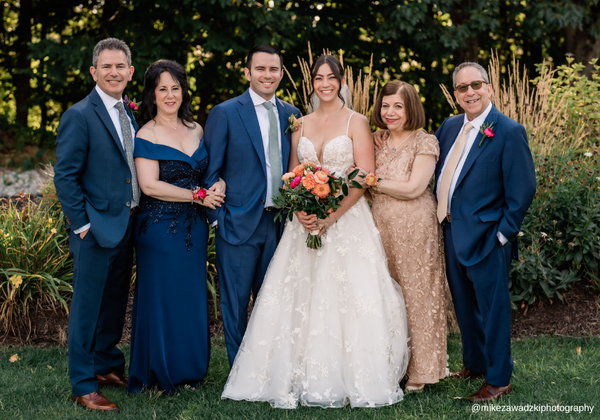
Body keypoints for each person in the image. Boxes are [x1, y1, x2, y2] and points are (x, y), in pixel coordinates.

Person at [221, 55, 410, 409]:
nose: (325, 84)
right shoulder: (300, 123)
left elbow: (363, 176)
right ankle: (288, 374)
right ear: (313, 84)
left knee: (345, 299)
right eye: (319, 78)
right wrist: (305, 210)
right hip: (304, 223)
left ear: (341, 82)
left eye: (331, 78)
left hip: (347, 222)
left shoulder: (356, 122)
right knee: (299, 297)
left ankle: (351, 375)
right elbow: (292, 174)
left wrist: (330, 216)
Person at [435, 62, 536, 402]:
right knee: (465, 305)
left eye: (476, 84)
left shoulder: (507, 131)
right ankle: (475, 362)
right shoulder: (448, 127)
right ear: (455, 95)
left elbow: (523, 189)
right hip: (450, 233)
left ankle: (498, 379)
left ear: (489, 87)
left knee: (493, 310)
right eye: (462, 88)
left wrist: (503, 235)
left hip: (489, 238)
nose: (470, 92)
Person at [127, 60, 225, 394]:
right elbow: (149, 185)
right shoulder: (146, 133)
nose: (170, 95)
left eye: (175, 87)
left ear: (183, 91)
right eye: (162, 89)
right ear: (152, 95)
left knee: (190, 297)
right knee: (162, 298)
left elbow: (209, 170)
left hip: (193, 229)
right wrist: (197, 195)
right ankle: (157, 372)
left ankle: (190, 371)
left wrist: (218, 184)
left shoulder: (197, 128)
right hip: (159, 228)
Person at [203, 45, 301, 367]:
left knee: (271, 302)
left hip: (280, 223)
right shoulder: (226, 112)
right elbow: (211, 170)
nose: (267, 75)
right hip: (238, 223)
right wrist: (217, 218)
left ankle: (267, 366)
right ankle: (239, 370)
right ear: (247, 72)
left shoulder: (292, 114)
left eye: (273, 69)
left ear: (281, 73)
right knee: (235, 303)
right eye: (260, 69)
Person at [54, 38, 137, 412]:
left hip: (125, 225)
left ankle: (105, 366)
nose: (114, 72)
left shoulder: (127, 112)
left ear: (130, 72)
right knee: (88, 309)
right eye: (106, 66)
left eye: (120, 66)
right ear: (94, 71)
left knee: (115, 303)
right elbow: (65, 176)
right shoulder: (80, 114)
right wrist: (82, 225)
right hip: (94, 228)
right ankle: (83, 384)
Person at [352, 80, 447, 392]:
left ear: (411, 110)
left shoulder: (425, 142)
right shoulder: (375, 139)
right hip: (378, 226)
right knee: (386, 295)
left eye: (398, 106)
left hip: (415, 227)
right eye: (385, 105)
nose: (389, 112)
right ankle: (393, 363)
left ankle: (424, 370)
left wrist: (370, 181)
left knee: (419, 294)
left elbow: (413, 188)